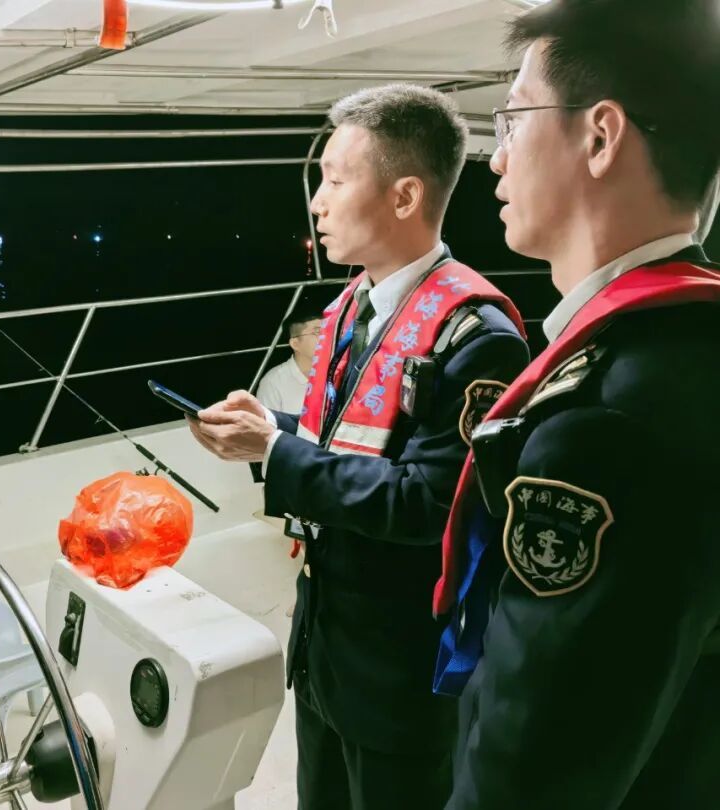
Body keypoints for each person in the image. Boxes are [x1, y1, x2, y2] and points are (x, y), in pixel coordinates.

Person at [187, 84, 530, 810]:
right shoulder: (352, 309)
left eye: (336, 181)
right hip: (326, 653)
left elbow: (429, 503)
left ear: (405, 196)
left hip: (399, 672)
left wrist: (276, 454)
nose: (317, 203)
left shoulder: (477, 337)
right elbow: (345, 443)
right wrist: (271, 428)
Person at [430, 1, 720, 807]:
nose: (495, 159)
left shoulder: (614, 415)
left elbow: (536, 766)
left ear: (600, 137)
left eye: (513, 119)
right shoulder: (687, 348)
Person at [255, 311, 323, 413]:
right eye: (318, 332)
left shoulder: (337, 372)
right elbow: (267, 422)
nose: (327, 337)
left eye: (329, 331)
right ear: (295, 344)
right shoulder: (273, 382)